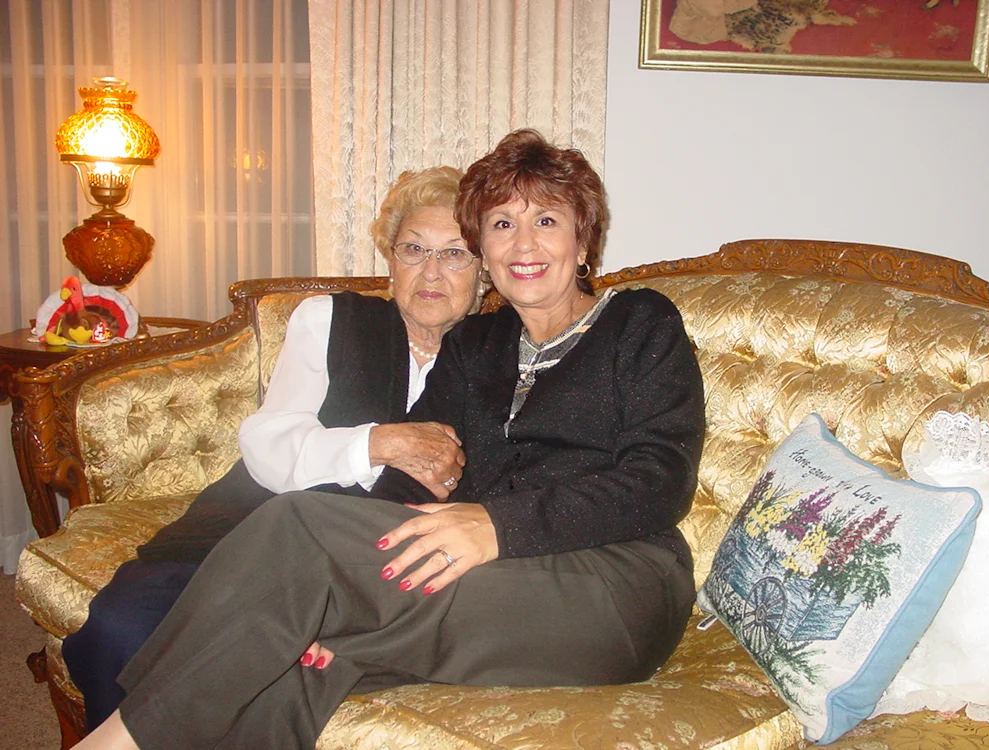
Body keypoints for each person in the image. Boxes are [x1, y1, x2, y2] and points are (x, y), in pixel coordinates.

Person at [77, 129, 706, 750]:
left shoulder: (638, 321)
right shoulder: (475, 345)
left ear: (583, 239)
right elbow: (414, 477)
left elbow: (660, 479)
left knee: (298, 529)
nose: (523, 243)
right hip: (498, 576)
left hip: (616, 583)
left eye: (546, 220)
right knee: (290, 668)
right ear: (485, 250)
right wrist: (333, 592)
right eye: (501, 224)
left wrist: (497, 525)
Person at [62, 165, 481, 730]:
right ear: (390, 259)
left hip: (361, 569)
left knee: (273, 669)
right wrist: (378, 443)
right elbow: (269, 445)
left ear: (483, 270)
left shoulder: (497, 356)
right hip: (245, 528)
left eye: (455, 254)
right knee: (122, 629)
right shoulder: (332, 319)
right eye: (414, 249)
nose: (431, 270)